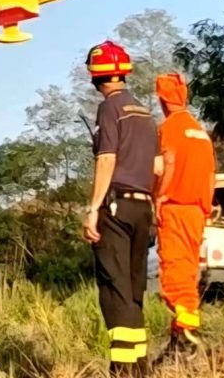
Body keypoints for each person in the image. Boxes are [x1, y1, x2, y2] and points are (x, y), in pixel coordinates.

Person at [82, 40, 160, 376]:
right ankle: (140, 366)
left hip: (115, 205)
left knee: (115, 289)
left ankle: (124, 369)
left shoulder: (109, 108)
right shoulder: (144, 113)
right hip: (144, 207)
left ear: (95, 74)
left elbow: (107, 158)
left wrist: (93, 208)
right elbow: (157, 168)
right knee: (134, 288)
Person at [153, 73, 216, 353]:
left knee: (174, 272)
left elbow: (168, 162)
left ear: (162, 99)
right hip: (198, 210)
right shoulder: (199, 130)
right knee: (188, 270)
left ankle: (188, 327)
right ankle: (179, 338)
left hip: (176, 207)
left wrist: (160, 196)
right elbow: (211, 175)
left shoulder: (170, 128)